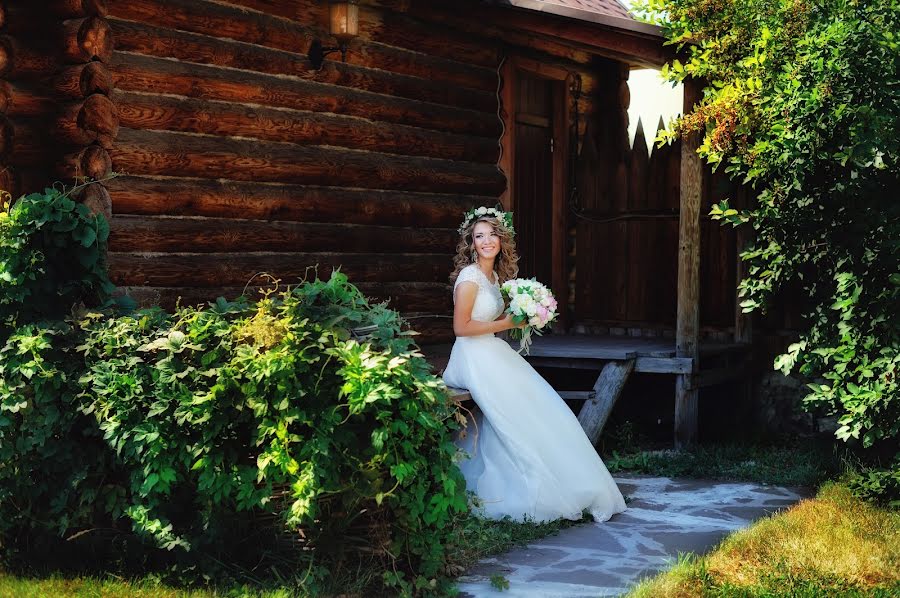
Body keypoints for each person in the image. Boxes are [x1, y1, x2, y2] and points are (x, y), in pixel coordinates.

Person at [442, 207, 626, 523]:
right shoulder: (470, 278)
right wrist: (506, 323)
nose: (486, 241)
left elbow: (494, 321)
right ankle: (528, 486)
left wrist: (526, 316)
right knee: (513, 408)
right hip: (471, 356)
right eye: (479, 236)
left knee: (539, 401)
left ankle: (571, 480)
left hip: (491, 350)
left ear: (501, 239)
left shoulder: (494, 277)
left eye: (491, 235)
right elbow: (461, 328)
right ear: (471, 243)